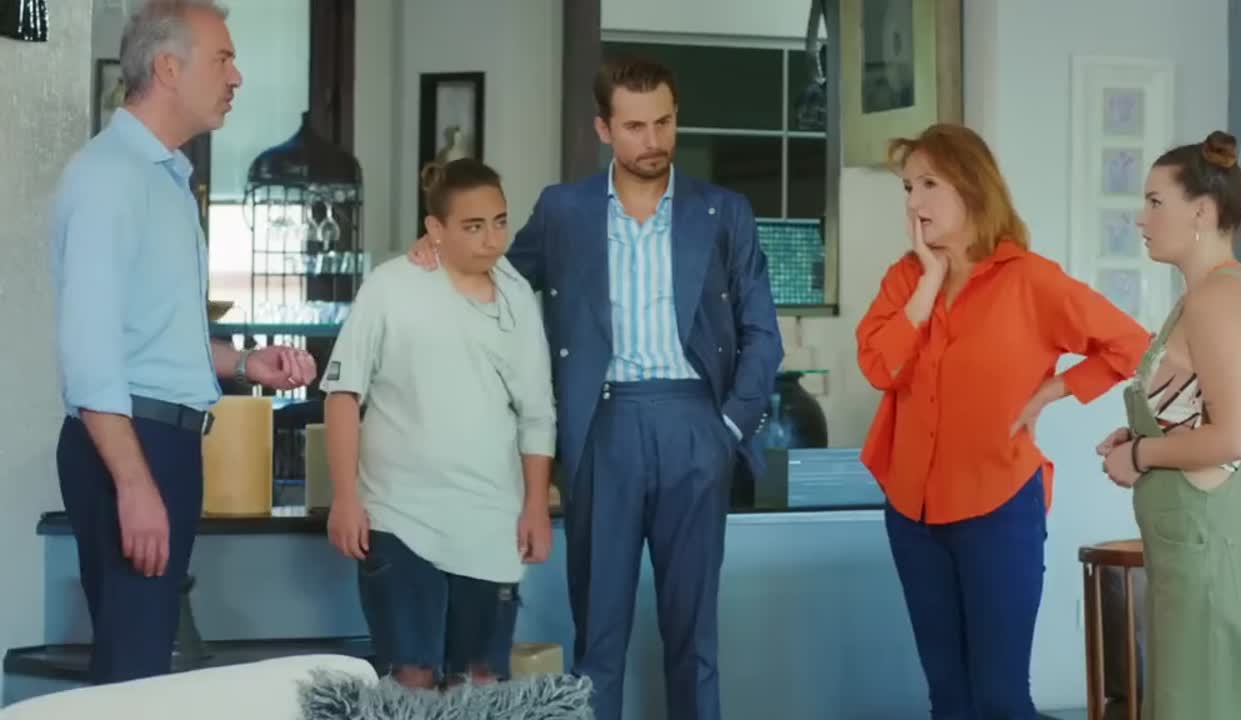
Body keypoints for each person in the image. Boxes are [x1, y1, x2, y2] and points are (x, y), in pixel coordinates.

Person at [410, 57, 783, 720]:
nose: (653, 140)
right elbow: (497, 282)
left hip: (696, 424)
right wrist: (441, 248)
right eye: (635, 127)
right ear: (604, 129)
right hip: (601, 428)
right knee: (599, 640)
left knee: (694, 640)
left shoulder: (724, 212)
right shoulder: (565, 210)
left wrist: (727, 428)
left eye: (664, 122)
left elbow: (762, 333)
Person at [50, 0, 316, 685]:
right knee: (133, 673)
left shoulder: (163, 177)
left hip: (161, 440)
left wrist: (242, 362)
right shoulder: (110, 177)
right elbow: (90, 351)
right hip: (132, 443)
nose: (237, 77)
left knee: (143, 664)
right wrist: (134, 483)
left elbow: (149, 334)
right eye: (223, 59)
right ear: (168, 68)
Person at [855, 123, 1149, 719]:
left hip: (998, 507)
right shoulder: (905, 280)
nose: (913, 202)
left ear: (971, 187)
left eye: (929, 184)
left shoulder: (1030, 280)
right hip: (912, 513)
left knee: (1000, 698)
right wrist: (928, 285)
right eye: (908, 187)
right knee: (949, 700)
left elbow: (1131, 344)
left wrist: (1053, 390)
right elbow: (879, 367)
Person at [322, 158, 556, 689]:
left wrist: (536, 506)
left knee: (480, 685)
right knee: (412, 679)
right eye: (473, 226)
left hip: (491, 521)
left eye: (500, 222)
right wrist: (345, 497)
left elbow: (538, 413)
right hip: (399, 517)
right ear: (436, 229)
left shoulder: (518, 297)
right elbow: (343, 394)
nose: (492, 239)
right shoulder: (391, 287)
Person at [1097, 131, 1241, 720]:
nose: (1141, 218)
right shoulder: (1199, 296)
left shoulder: (1219, 299)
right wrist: (1140, 439)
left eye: (1155, 202)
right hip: (1190, 549)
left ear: (1201, 211)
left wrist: (1140, 455)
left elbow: (1231, 439)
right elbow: (1198, 414)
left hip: (1210, 552)